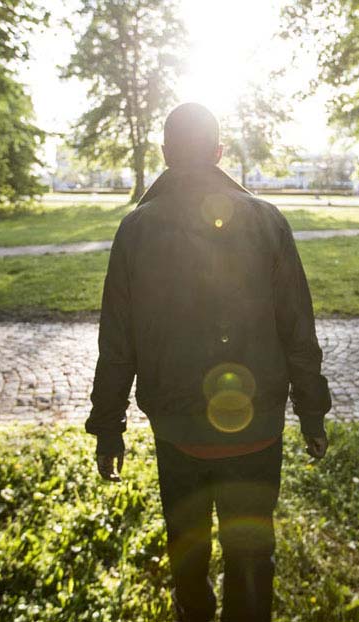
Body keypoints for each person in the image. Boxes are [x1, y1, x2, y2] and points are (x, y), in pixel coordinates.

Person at [86, 102, 332, 622]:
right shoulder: (268, 222)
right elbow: (297, 329)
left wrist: (109, 428)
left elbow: (117, 342)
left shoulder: (135, 229)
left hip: (179, 435)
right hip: (257, 431)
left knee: (188, 554)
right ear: (220, 153)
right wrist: (312, 413)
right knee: (251, 558)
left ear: (165, 153)